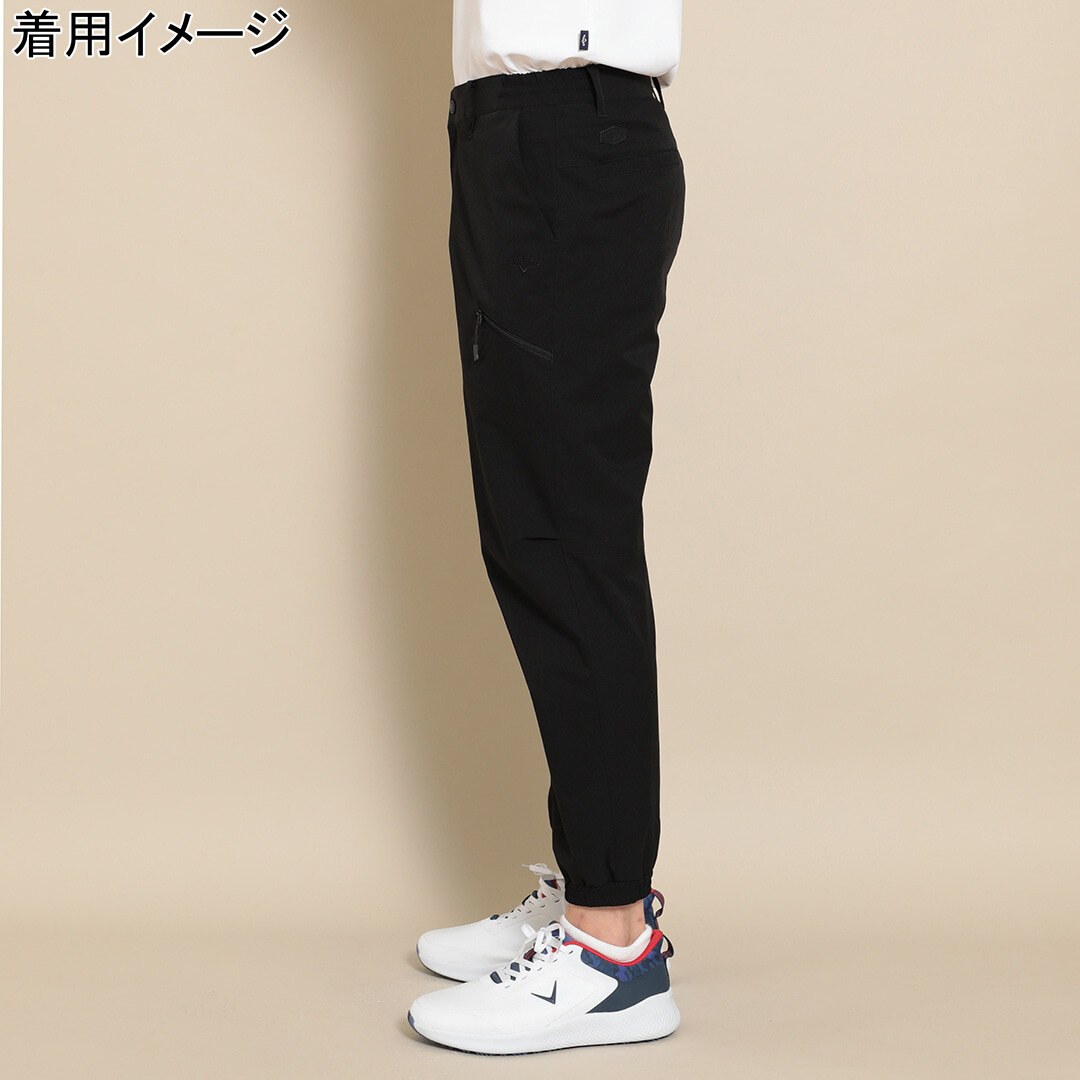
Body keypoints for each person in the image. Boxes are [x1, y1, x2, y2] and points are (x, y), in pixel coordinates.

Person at [408, 1, 686, 1055]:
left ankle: (612, 950)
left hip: (569, 133)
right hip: (521, 131)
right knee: (534, 532)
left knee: (569, 541)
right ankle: (597, 891)